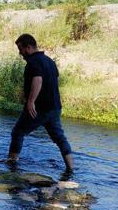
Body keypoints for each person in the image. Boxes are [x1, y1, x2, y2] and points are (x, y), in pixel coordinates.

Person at [8, 33, 74, 177]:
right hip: (54, 108)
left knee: (18, 133)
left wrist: (31, 101)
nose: (20, 53)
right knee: (60, 139)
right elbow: (53, 82)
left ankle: (12, 165)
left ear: (29, 47)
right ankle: (71, 169)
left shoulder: (33, 62)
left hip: (39, 109)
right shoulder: (50, 61)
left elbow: (38, 80)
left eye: (21, 49)